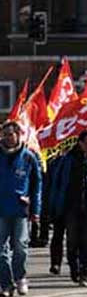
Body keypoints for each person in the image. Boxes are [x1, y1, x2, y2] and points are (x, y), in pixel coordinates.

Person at [49, 130, 87, 286]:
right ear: (80, 143)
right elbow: (57, 183)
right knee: (72, 240)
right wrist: (54, 206)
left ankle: (85, 270)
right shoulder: (67, 160)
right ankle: (74, 268)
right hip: (71, 206)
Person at [0, 122, 42, 297]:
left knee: (20, 247)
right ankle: (6, 283)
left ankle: (20, 277)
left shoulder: (28, 157)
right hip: (1, 209)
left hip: (20, 210)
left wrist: (36, 209)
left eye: (11, 134)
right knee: (1, 251)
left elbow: (37, 184)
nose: (8, 138)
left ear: (18, 135)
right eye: (5, 134)